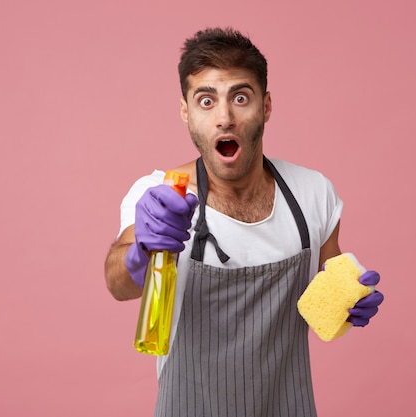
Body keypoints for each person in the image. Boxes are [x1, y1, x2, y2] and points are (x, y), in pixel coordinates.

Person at [104, 27, 384, 417]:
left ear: (266, 106)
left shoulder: (312, 193)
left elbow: (327, 287)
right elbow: (119, 284)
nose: (224, 118)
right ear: (185, 111)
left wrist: (352, 301)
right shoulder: (161, 194)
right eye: (206, 101)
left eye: (240, 97)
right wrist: (141, 251)